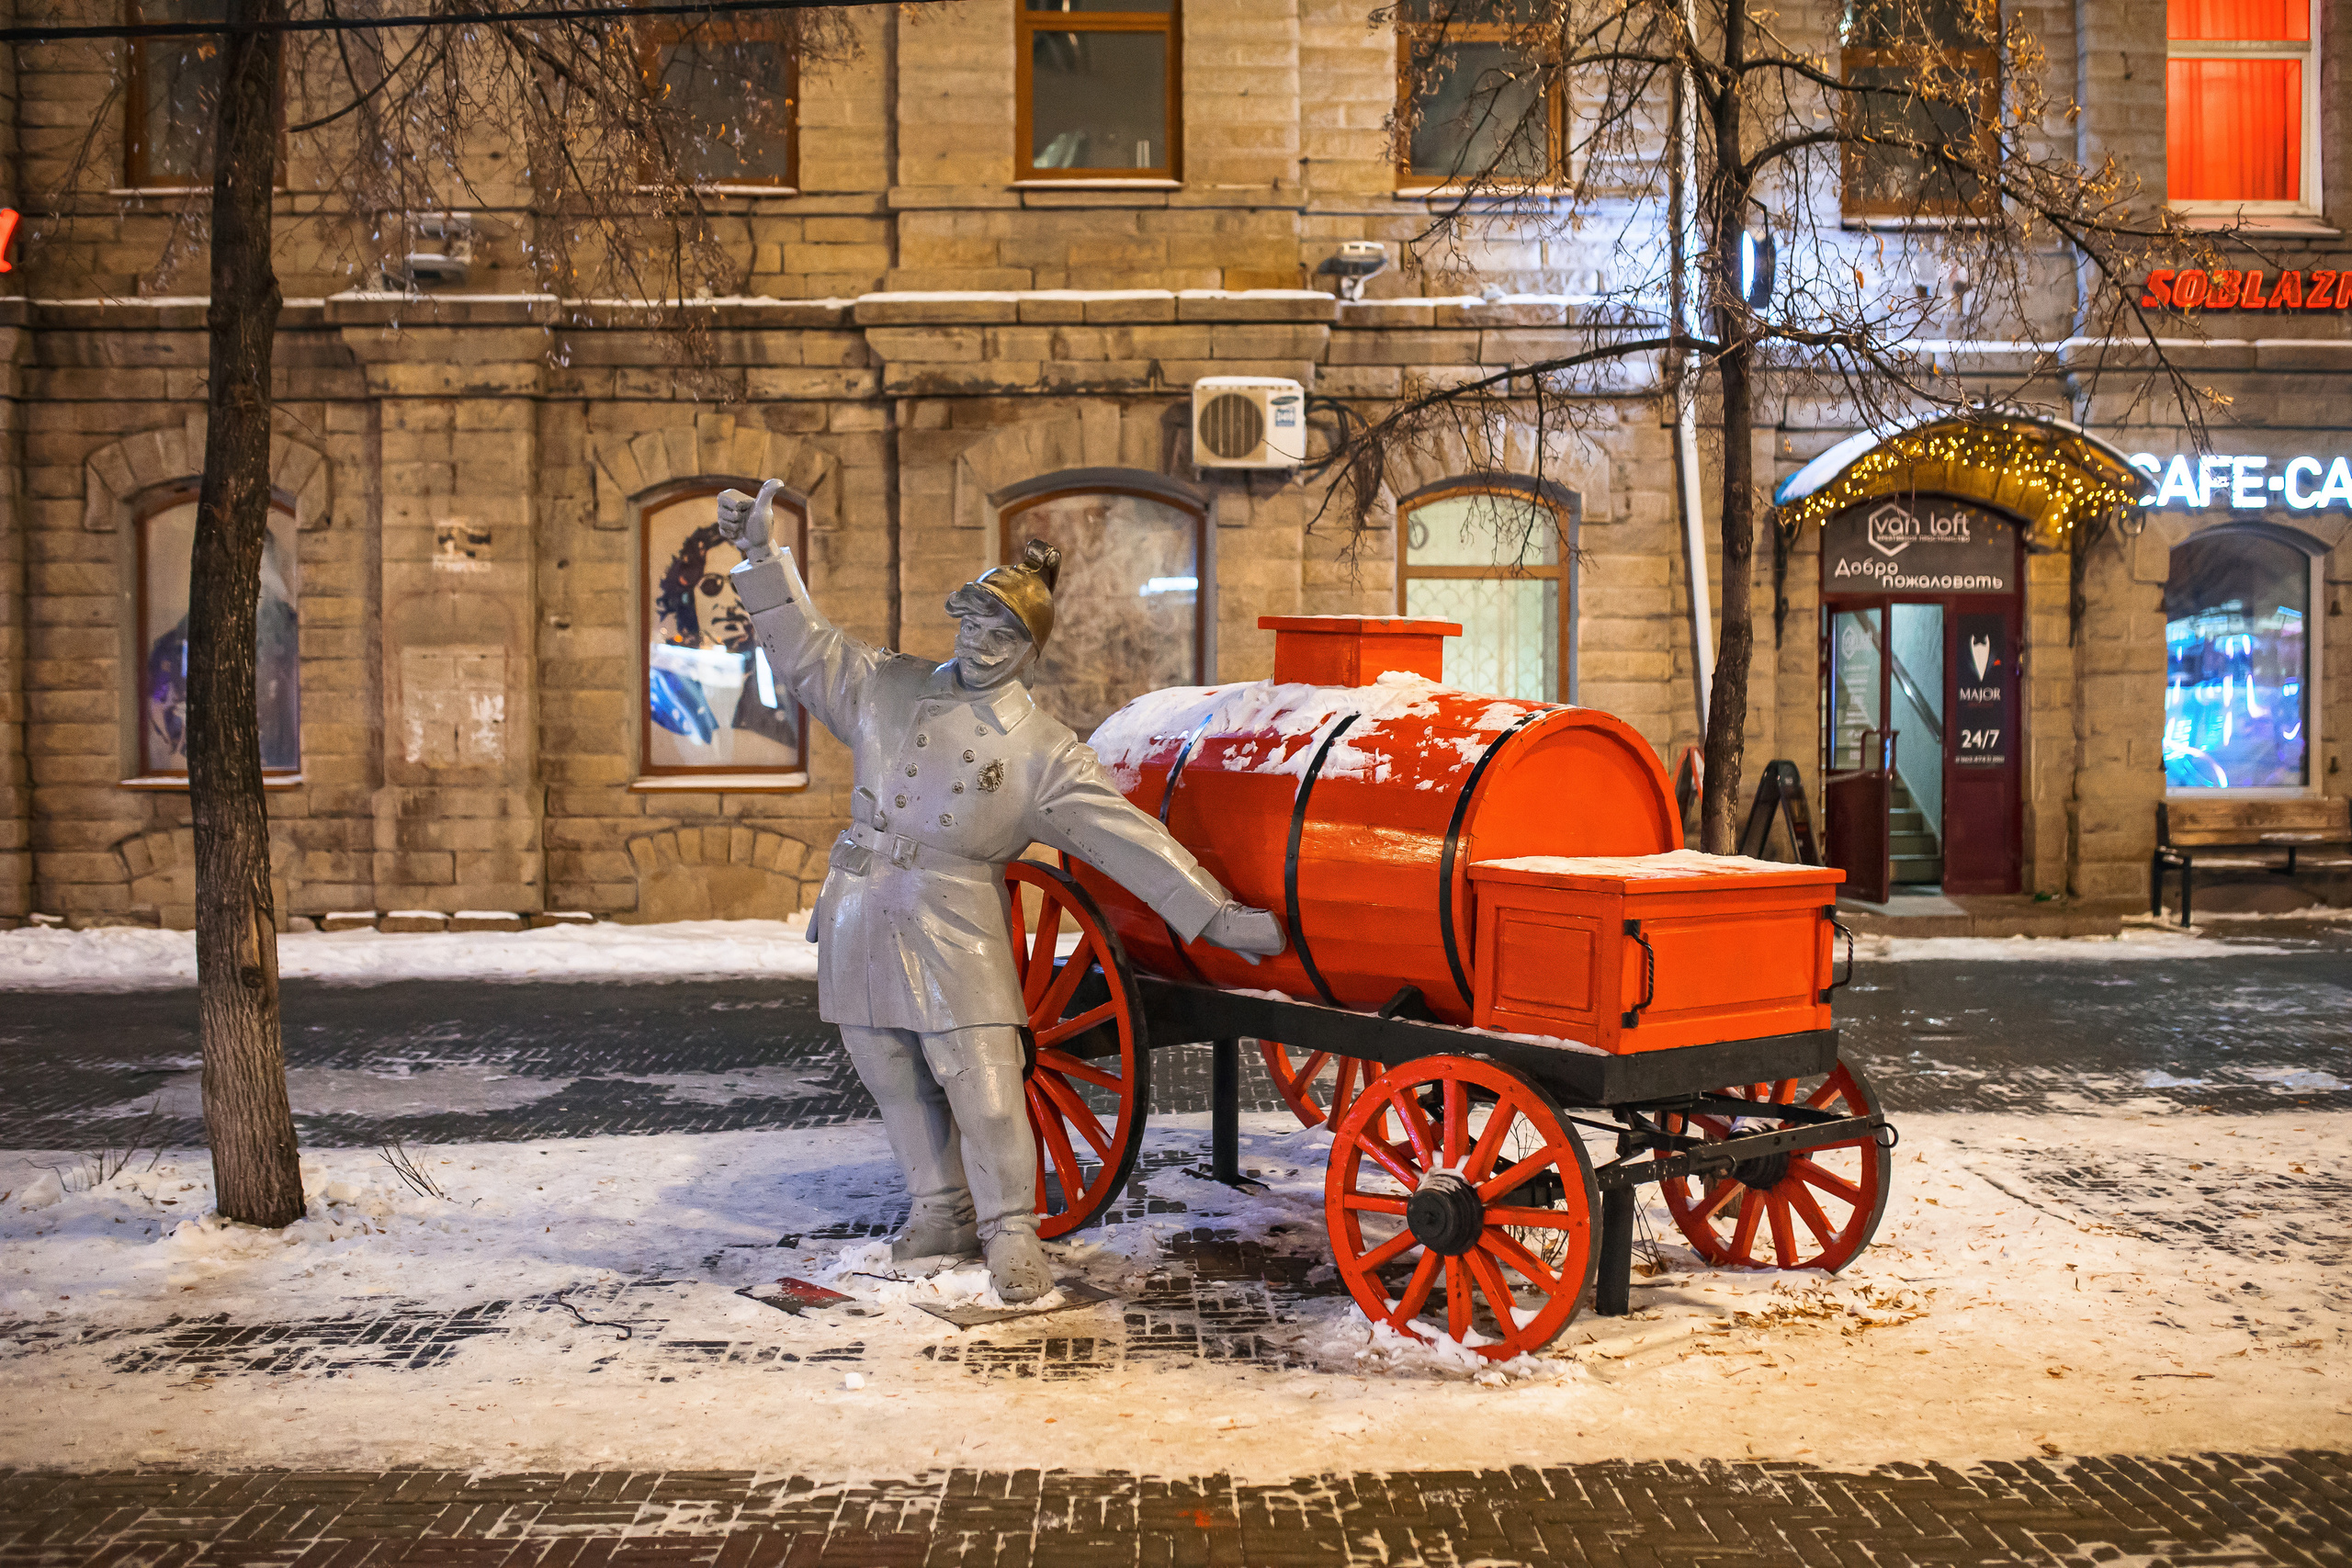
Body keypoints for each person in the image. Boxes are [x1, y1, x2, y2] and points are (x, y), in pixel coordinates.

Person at [715, 480, 1284, 1303]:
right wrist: (762, 556)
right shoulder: (886, 684)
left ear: (1029, 651)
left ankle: (1010, 1228)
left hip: (955, 916)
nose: (983, 643)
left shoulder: (1045, 752)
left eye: (1006, 633)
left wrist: (1211, 914)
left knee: (981, 1076)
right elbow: (804, 650)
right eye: (976, 622)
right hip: (862, 899)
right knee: (885, 1065)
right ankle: (938, 1208)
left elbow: (1127, 839)